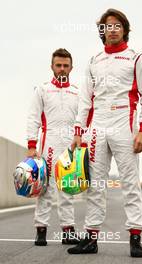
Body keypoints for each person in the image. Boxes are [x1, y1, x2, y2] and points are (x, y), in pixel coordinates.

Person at [68, 9, 142, 257]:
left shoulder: (138, 57)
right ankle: (91, 238)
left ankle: (135, 238)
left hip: (124, 124)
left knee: (130, 182)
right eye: (108, 26)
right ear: (102, 31)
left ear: (125, 29)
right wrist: (78, 131)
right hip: (97, 126)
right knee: (96, 185)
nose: (113, 29)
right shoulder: (94, 61)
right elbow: (85, 101)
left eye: (118, 25)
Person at [27, 48, 80, 246]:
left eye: (66, 65)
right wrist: (32, 145)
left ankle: (68, 232)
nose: (62, 69)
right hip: (48, 144)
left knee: (67, 189)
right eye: (58, 65)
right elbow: (33, 118)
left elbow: (83, 120)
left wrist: (82, 142)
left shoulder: (77, 91)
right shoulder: (42, 89)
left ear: (71, 68)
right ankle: (41, 231)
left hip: (70, 147)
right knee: (45, 190)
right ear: (52, 67)